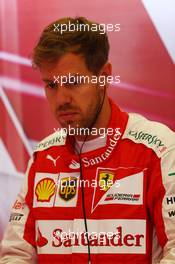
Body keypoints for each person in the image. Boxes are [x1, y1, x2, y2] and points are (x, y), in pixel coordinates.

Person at [0, 16, 175, 264]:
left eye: (73, 82)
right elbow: (16, 254)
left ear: (104, 76)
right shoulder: (43, 157)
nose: (61, 99)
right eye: (51, 85)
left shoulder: (158, 149)